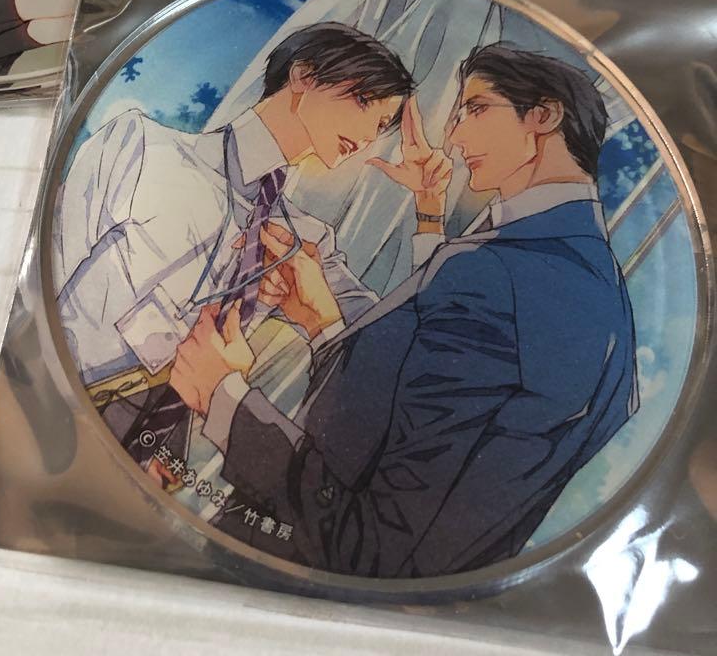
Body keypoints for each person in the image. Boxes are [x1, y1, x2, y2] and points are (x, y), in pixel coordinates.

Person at [169, 43, 639, 578]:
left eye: (476, 109)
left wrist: (224, 398)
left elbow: (375, 541)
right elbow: (404, 404)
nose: (455, 138)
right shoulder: (568, 269)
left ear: (544, 116)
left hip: (288, 578)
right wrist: (324, 321)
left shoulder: (511, 276)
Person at [54, 23, 416, 466]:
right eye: (363, 100)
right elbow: (48, 271)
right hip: (55, 390)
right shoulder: (141, 146)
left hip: (152, 451)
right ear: (302, 77)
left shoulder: (305, 242)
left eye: (382, 125)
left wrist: (430, 213)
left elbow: (388, 338)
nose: (369, 134)